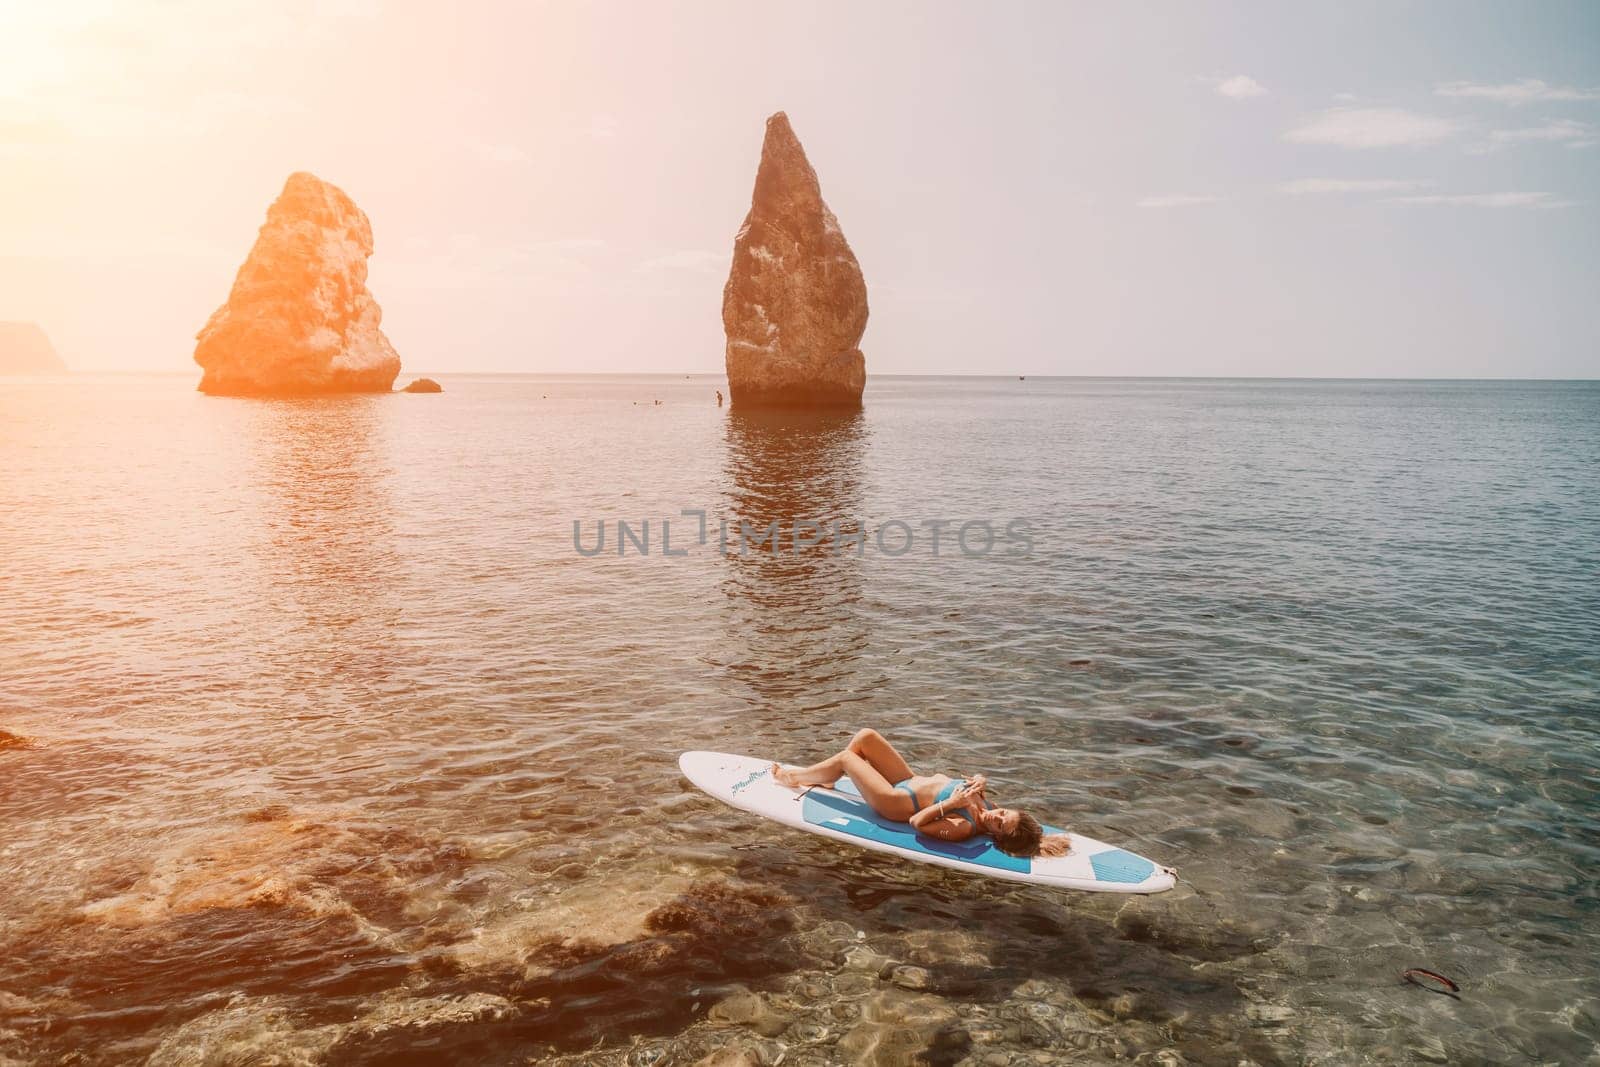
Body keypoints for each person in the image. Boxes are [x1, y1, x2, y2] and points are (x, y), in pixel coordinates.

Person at [772, 728, 1072, 857]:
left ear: (997, 836)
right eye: (1004, 812)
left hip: (895, 802)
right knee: (865, 738)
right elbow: (980, 788)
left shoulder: (964, 827)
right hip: (907, 779)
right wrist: (980, 777)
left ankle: (794, 777)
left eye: (999, 823)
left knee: (846, 758)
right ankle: (827, 778)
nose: (996, 815)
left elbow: (918, 824)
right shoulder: (987, 803)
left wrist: (952, 803)